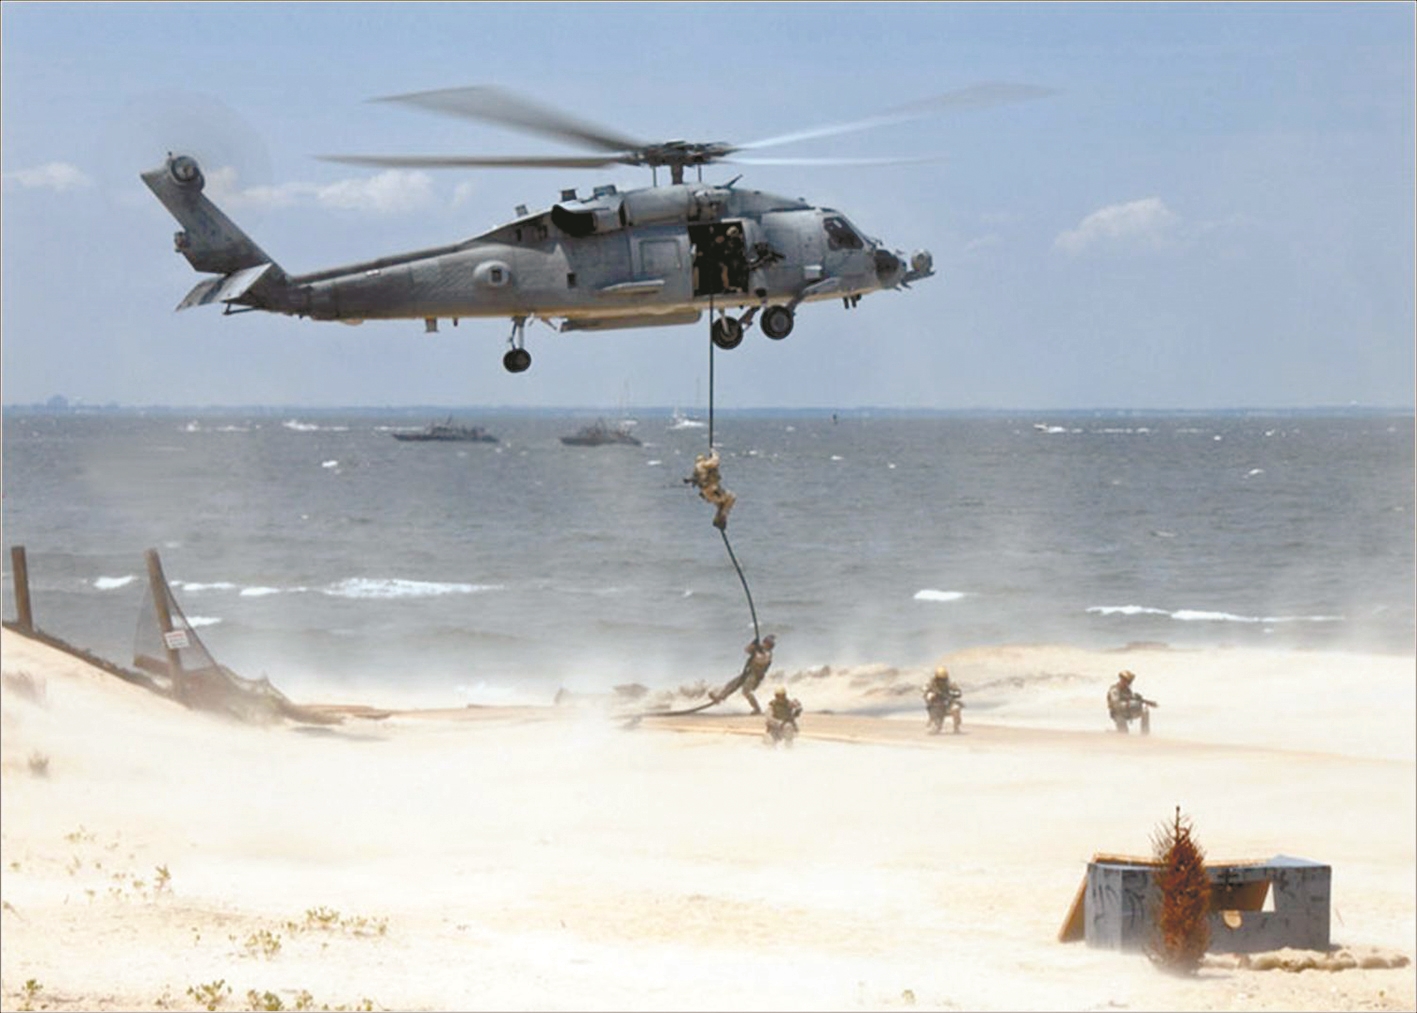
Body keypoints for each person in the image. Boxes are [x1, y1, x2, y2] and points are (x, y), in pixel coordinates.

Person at [686, 448, 736, 530]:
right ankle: (722, 518)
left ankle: (718, 519)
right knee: (731, 498)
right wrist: (714, 453)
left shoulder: (697, 470)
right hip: (713, 491)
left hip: (707, 494)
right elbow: (715, 462)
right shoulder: (703, 465)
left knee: (721, 504)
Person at [1107, 670, 1155, 734]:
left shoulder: (1127, 690)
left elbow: (1131, 698)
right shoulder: (1115, 690)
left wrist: (1140, 700)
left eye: (1128, 682)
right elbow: (1115, 705)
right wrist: (1127, 704)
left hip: (1127, 711)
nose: (1126, 683)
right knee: (1123, 733)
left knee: (1145, 711)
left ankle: (1145, 733)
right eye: (1124, 680)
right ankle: (1111, 732)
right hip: (1118, 714)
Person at [923, 665, 963, 734]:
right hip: (936, 708)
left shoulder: (949, 684)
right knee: (935, 730)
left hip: (947, 705)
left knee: (956, 708)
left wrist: (953, 694)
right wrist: (931, 695)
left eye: (943, 679)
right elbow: (925, 693)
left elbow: (958, 692)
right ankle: (935, 723)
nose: (941, 682)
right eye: (940, 679)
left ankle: (956, 727)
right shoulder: (931, 685)